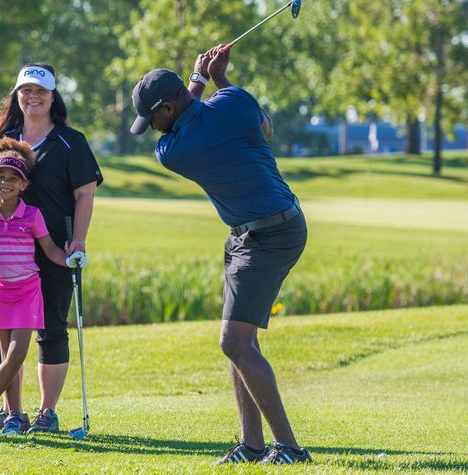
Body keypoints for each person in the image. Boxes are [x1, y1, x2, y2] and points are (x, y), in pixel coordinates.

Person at [130, 44, 311, 465]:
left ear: (169, 109)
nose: (152, 128)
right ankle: (251, 445)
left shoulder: (175, 151)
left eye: (153, 118)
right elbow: (262, 126)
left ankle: (289, 449)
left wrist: (198, 77)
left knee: (234, 341)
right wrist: (220, 79)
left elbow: (194, 115)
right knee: (237, 341)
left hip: (272, 234)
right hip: (257, 231)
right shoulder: (234, 99)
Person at [0, 63, 103, 433]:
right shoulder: (5, 138)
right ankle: (12, 411)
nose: (33, 97)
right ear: (17, 95)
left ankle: (46, 413)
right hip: (6, 250)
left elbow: (84, 194)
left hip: (53, 246)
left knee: (51, 328)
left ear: (52, 97)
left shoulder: (70, 141)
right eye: (26, 91)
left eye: (41, 92)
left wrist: (78, 239)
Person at [0, 138, 83, 435]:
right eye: (0, 177)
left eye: (13, 179)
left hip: (27, 291)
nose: (5, 183)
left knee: (16, 355)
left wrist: (71, 260)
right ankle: (14, 417)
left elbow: (49, 250)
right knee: (5, 356)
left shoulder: (32, 215)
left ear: (24, 185)